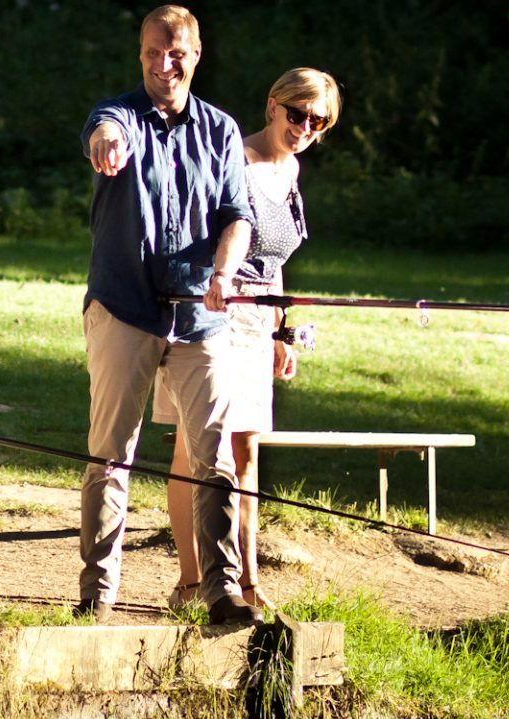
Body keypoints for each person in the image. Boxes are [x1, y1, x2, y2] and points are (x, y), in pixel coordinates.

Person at [78, 5, 261, 625]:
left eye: (177, 53)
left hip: (200, 319)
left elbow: (238, 214)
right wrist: (105, 144)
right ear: (140, 54)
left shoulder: (221, 131)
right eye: (155, 52)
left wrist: (224, 273)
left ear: (197, 54)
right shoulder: (118, 116)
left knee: (213, 459)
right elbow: (104, 132)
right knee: (111, 456)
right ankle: (97, 596)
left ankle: (221, 591)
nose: (165, 64)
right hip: (124, 309)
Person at [159, 68, 342, 612]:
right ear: (272, 105)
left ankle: (248, 579)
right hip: (212, 314)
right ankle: (192, 580)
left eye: (318, 120)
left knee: (246, 450)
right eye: (297, 114)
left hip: (259, 322)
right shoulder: (232, 157)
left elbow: (275, 262)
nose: (304, 127)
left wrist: (283, 329)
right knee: (194, 447)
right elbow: (198, 233)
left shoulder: (293, 171)